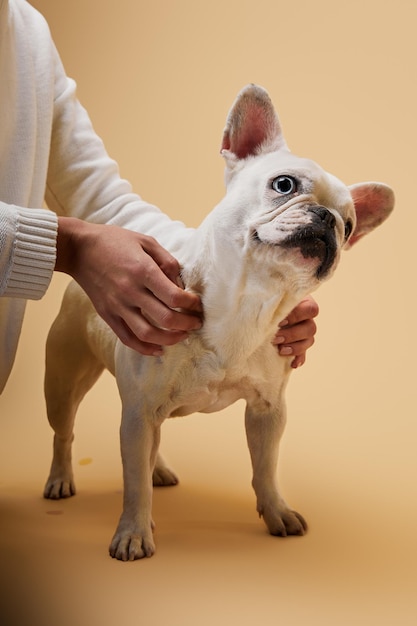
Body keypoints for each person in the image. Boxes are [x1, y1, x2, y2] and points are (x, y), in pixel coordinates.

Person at [0, 0, 318, 394]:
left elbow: (99, 201)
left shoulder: (25, 31)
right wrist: (68, 247)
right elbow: (84, 236)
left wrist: (224, 279)